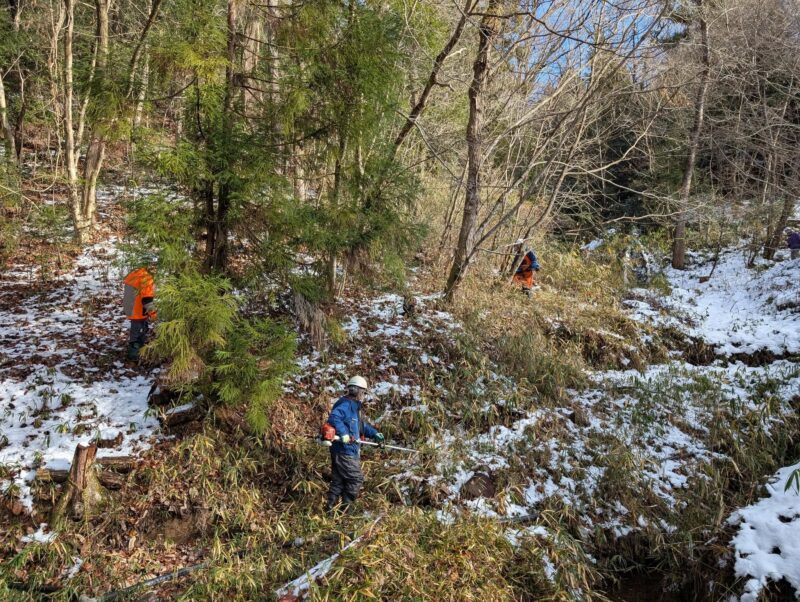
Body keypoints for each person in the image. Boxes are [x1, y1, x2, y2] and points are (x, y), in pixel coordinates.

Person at [325, 376, 384, 513]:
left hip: (345, 450)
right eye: (362, 392)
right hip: (345, 450)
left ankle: (330, 508)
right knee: (355, 479)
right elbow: (334, 417)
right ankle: (346, 510)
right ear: (356, 391)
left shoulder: (354, 407)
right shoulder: (346, 404)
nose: (363, 395)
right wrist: (344, 433)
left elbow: (360, 426)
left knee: (339, 480)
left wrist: (374, 434)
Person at [123, 266, 156, 360]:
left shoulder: (137, 272)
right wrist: (153, 314)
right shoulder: (146, 278)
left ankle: (137, 351)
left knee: (138, 330)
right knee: (138, 333)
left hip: (130, 307)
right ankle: (134, 355)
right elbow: (147, 300)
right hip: (138, 310)